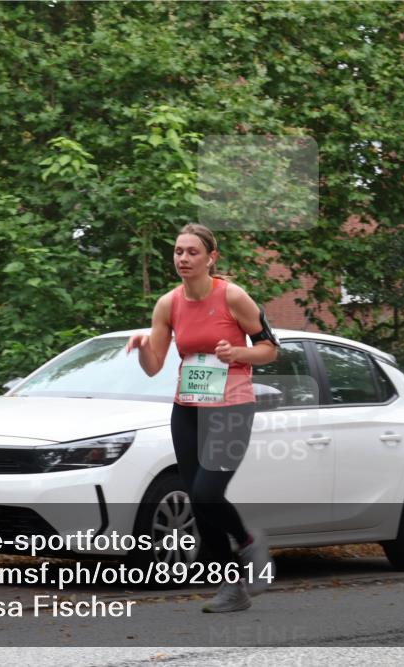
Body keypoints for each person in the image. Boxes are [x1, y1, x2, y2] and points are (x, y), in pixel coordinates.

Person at [125, 223, 278, 612]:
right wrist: (142, 348)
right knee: (197, 499)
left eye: (192, 252)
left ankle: (248, 542)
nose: (183, 258)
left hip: (231, 408)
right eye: (178, 251)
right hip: (189, 408)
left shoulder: (233, 296)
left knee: (209, 493)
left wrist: (238, 354)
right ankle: (232, 587)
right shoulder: (168, 304)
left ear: (211, 258)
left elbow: (270, 349)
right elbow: (154, 366)